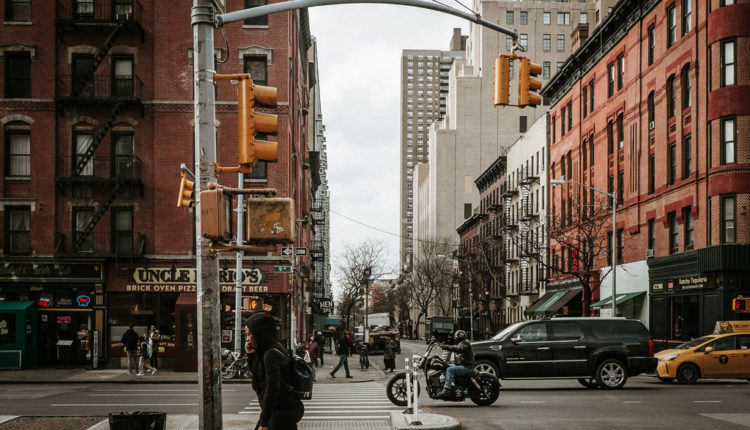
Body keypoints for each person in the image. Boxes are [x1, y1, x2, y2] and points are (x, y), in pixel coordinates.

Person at [245, 312, 304, 430]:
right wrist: (251, 355)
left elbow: (272, 390)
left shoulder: (270, 354)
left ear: (259, 334)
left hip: (281, 412)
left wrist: (264, 421)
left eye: (249, 334)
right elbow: (258, 377)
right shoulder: (269, 348)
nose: (247, 338)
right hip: (281, 410)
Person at [436, 330, 474, 398]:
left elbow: (458, 349)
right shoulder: (462, 343)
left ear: (460, 337)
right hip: (462, 365)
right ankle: (445, 383)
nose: (455, 339)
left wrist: (445, 347)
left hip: (467, 367)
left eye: (456, 337)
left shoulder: (465, 344)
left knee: (450, 370)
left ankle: (446, 389)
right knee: (445, 366)